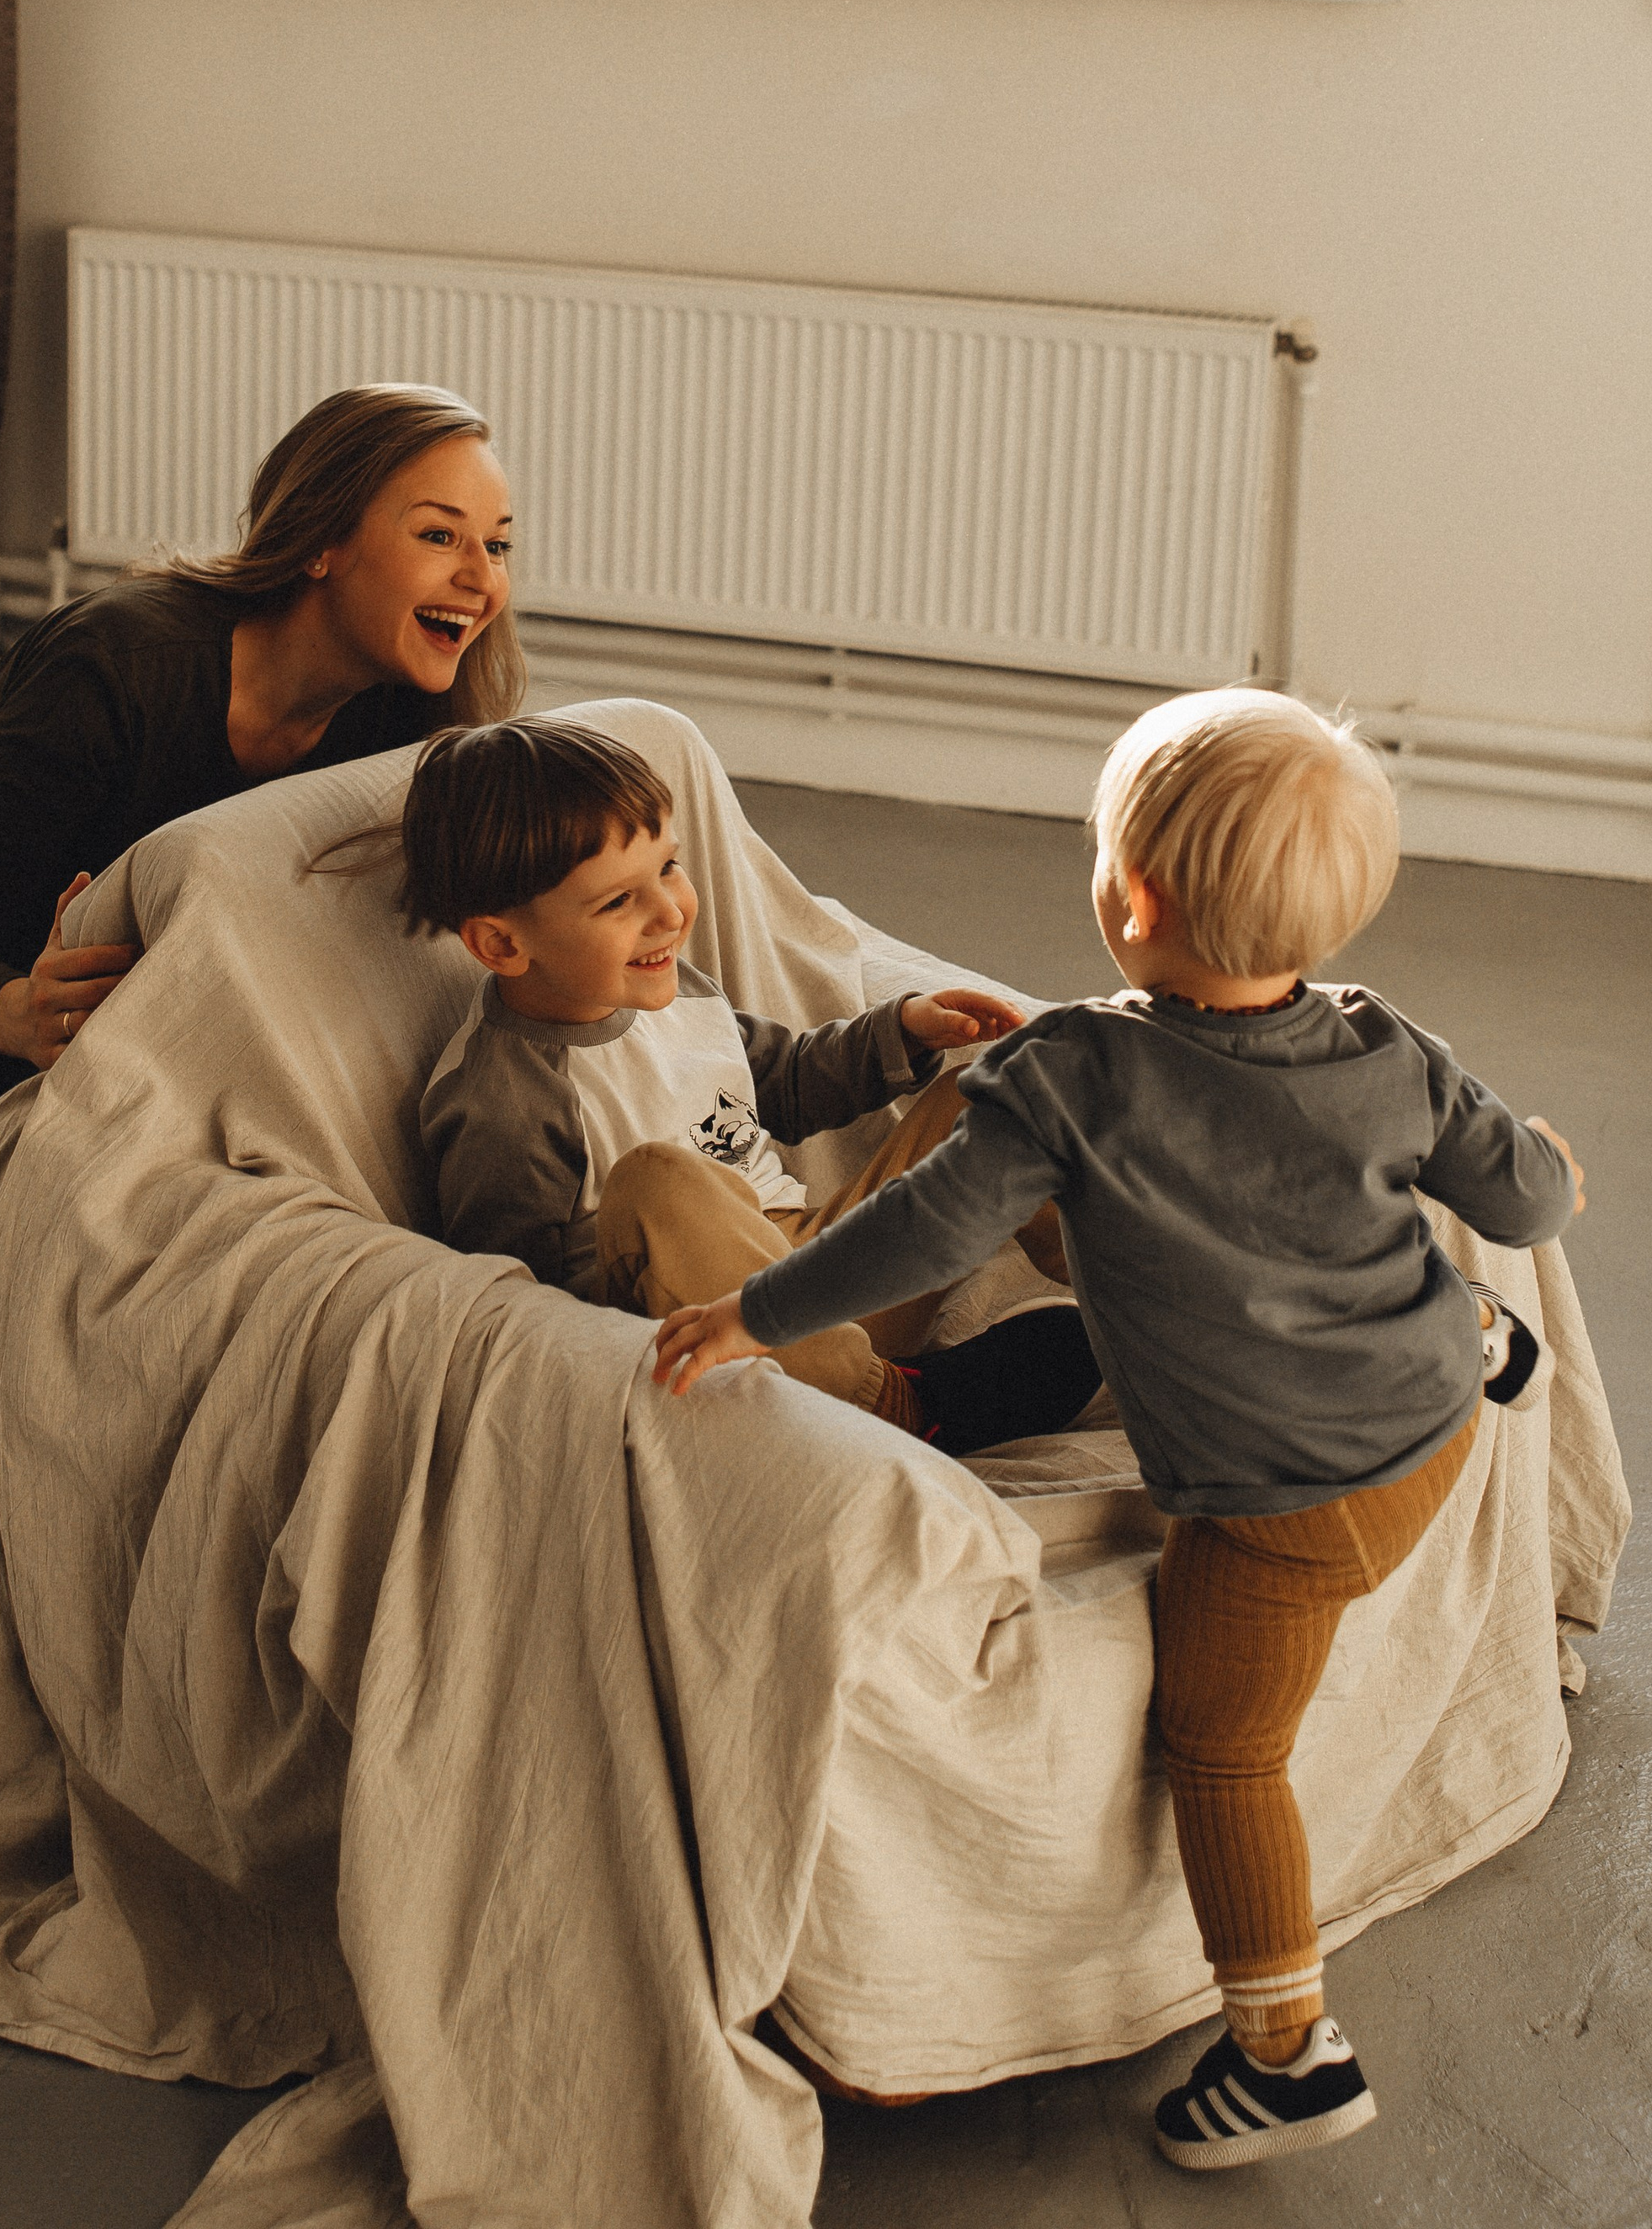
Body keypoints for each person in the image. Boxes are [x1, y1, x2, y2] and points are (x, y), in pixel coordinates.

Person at [652, 685, 1585, 2174]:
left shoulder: (1074, 1075)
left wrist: (757, 1312)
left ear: (1131, 896)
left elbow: (922, 1230)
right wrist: (1547, 1165)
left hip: (1284, 1511)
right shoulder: (1386, 1044)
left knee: (1223, 1750)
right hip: (1428, 1428)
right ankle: (1475, 1335)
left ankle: (1284, 2051)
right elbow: (1521, 1199)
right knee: (1294, 1245)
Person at [0, 383, 523, 1631]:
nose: (481, 577)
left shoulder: (408, 726)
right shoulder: (124, 655)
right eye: (440, 534)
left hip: (61, 1019)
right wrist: (7, 1010)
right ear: (324, 538)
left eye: (498, 544)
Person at [406, 719, 1102, 1448]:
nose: (669, 913)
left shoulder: (677, 989)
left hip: (825, 1279)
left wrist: (903, 1032)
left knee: (993, 1094)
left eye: (668, 869)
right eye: (617, 902)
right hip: (714, 1335)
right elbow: (524, 1315)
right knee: (656, 1181)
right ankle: (896, 1404)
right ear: (502, 943)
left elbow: (786, 1079)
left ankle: (1132, 1285)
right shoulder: (503, 1102)